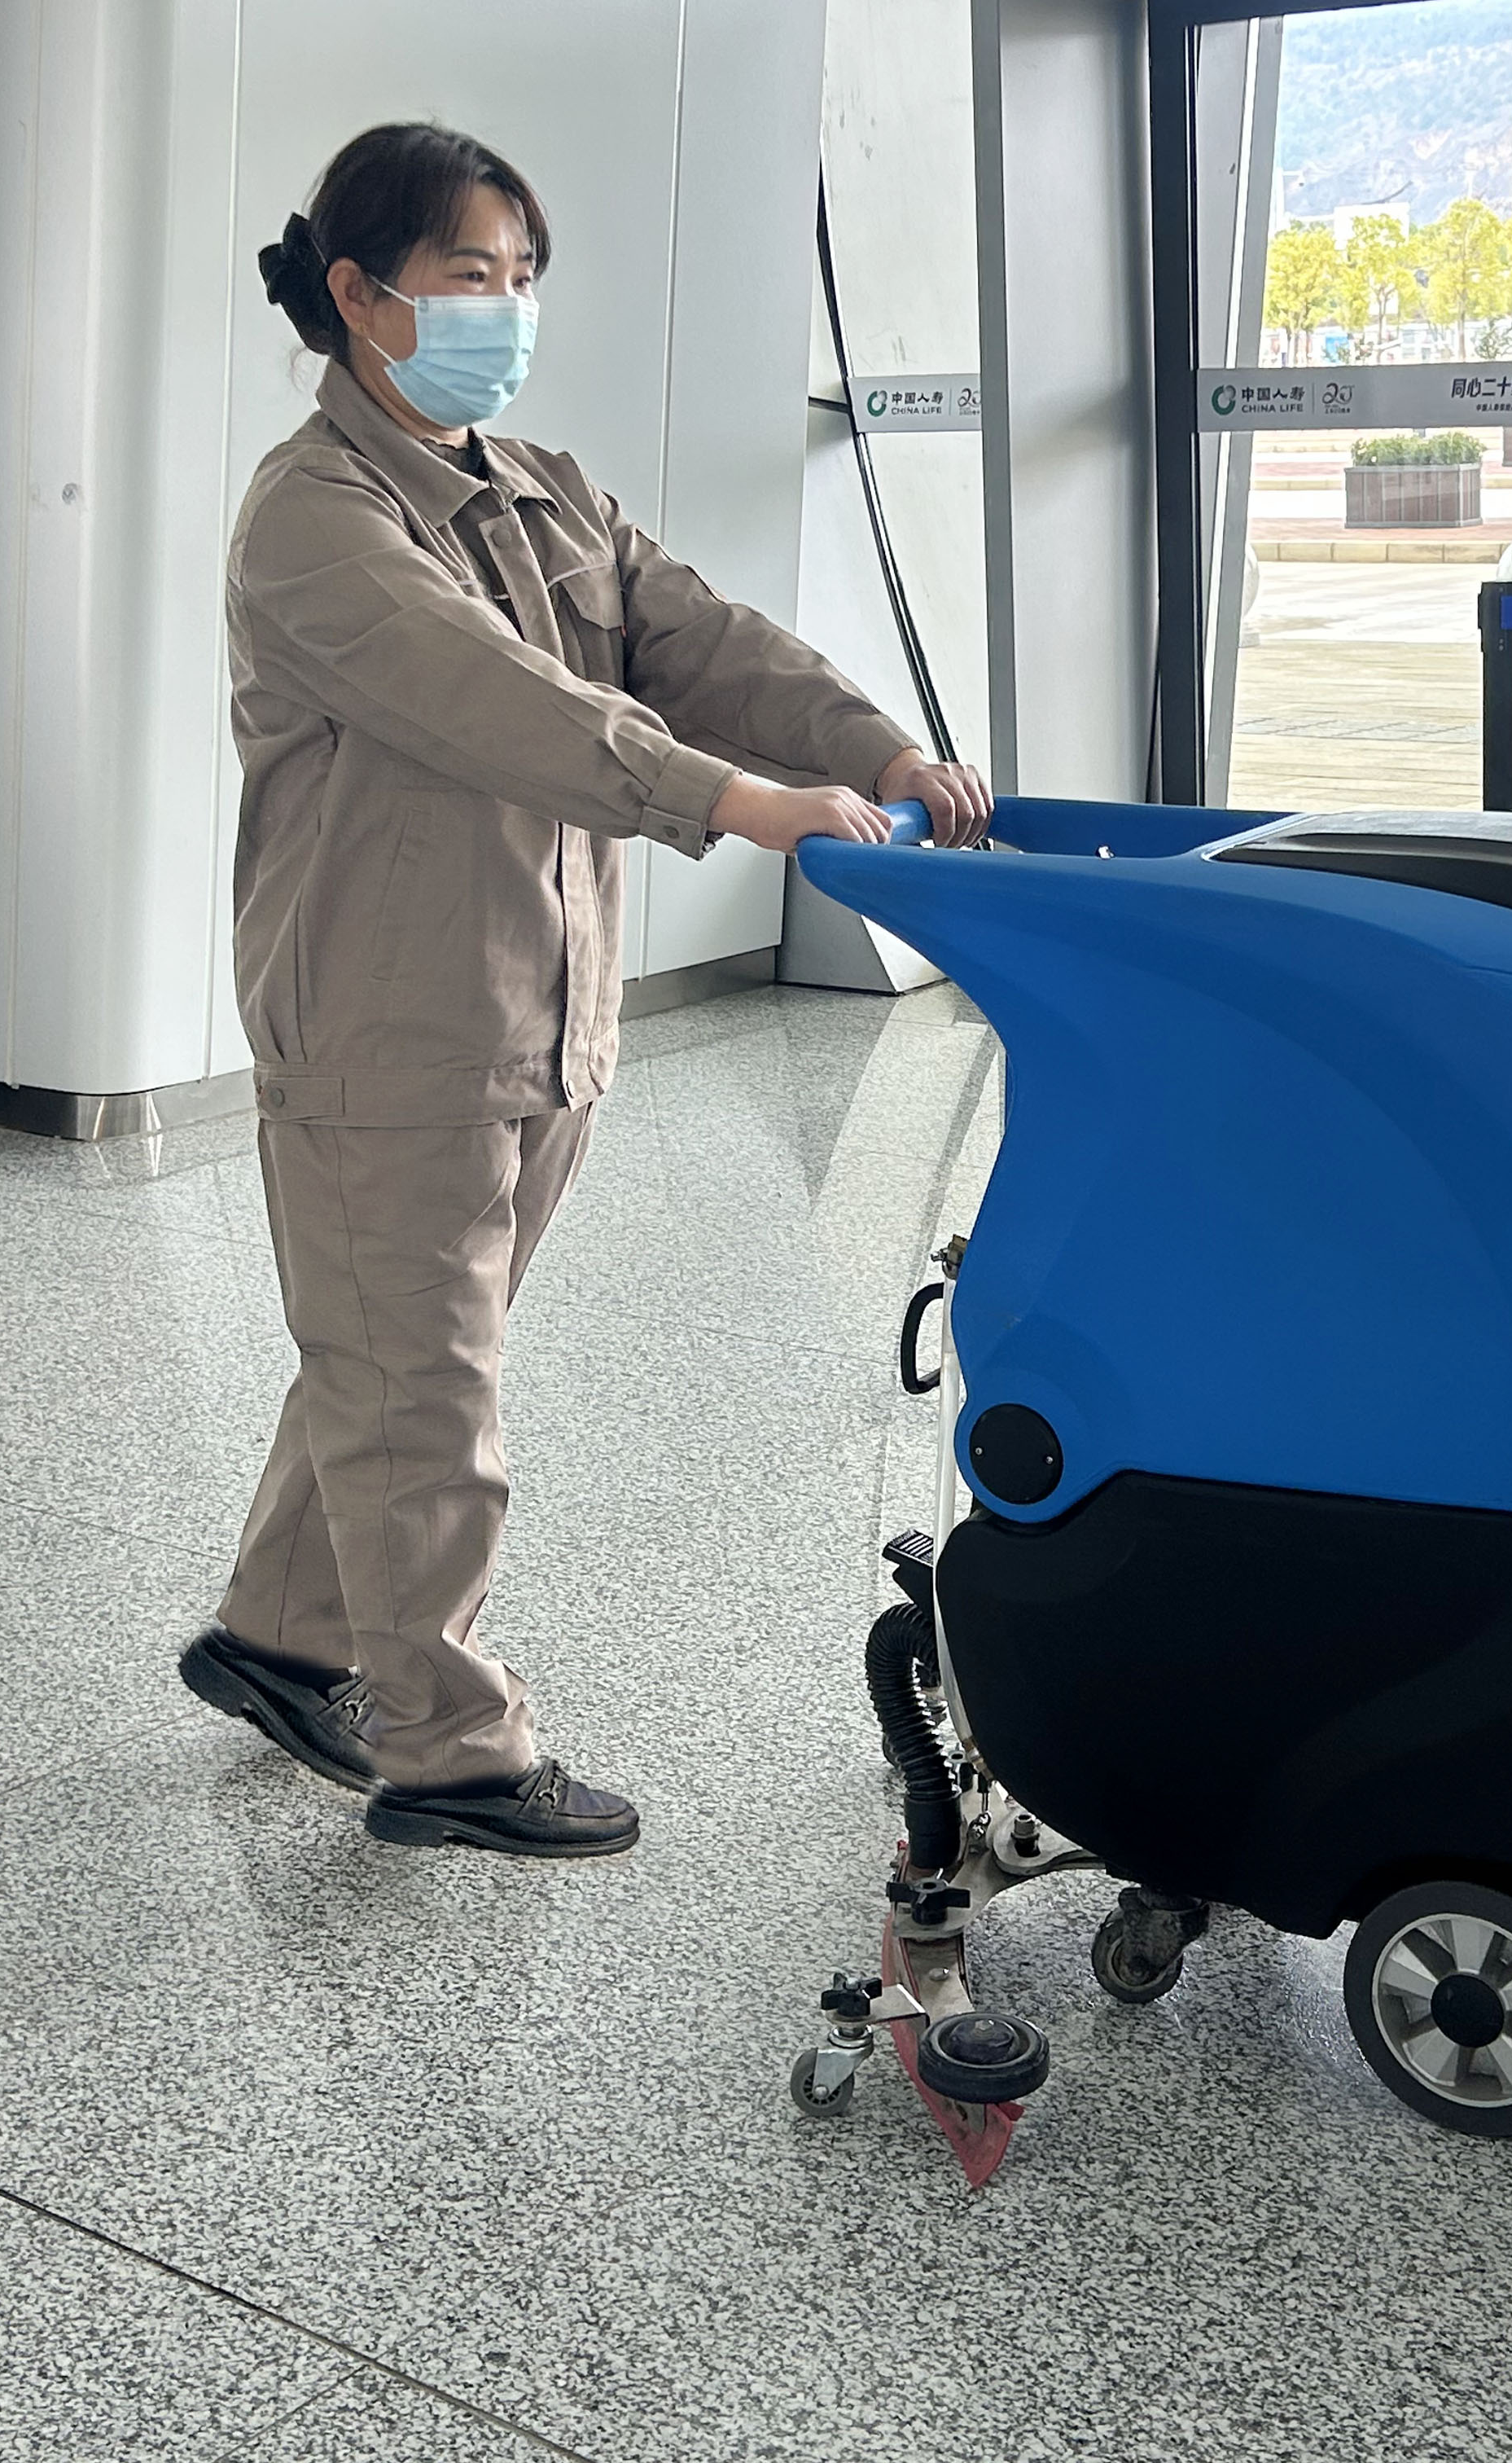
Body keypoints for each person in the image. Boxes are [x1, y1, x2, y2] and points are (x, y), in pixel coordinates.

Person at [176, 122, 990, 1858]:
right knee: (423, 1395)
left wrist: (875, 749)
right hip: (387, 1031)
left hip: (538, 1021)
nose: (507, 309)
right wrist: (737, 801)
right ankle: (452, 1753)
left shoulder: (542, 488)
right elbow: (503, 703)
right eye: (470, 275)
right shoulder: (313, 521)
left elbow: (703, 641)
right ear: (359, 295)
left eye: (523, 277)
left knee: (396, 1357)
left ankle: (280, 1635)